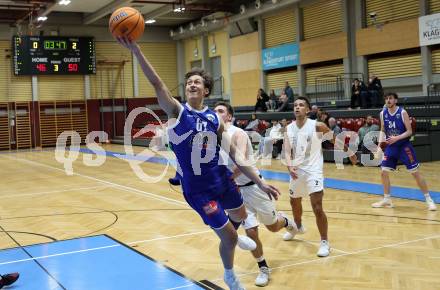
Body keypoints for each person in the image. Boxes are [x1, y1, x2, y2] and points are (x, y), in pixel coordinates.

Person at [117, 36, 281, 290]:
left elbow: (236, 155)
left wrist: (260, 182)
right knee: (229, 236)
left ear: (206, 90)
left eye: (197, 82)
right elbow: (157, 83)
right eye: (189, 82)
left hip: (222, 179)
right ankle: (230, 274)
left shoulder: (215, 119)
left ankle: (236, 240)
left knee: (240, 214)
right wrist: (137, 51)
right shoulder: (177, 111)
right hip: (198, 189)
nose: (192, 84)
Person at [215, 102, 296, 287]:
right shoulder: (212, 137)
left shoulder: (238, 133)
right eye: (214, 111)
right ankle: (263, 267)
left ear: (229, 116)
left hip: (255, 187)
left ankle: (286, 222)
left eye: (221, 111)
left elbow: (240, 163)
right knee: (251, 231)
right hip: (236, 192)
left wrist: (224, 181)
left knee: (273, 227)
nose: (216, 114)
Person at [282, 97, 357, 257]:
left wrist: (349, 153)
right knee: (294, 203)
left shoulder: (318, 126)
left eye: (301, 105)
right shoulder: (288, 128)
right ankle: (299, 227)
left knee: (317, 207)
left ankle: (324, 242)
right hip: (297, 170)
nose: (297, 107)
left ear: (308, 110)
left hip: (314, 171)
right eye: (295, 105)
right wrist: (289, 166)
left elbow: (335, 140)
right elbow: (287, 151)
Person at [371, 92, 437, 211]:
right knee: (383, 172)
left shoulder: (402, 112)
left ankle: (429, 200)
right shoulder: (382, 113)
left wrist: (396, 137)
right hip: (391, 147)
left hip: (404, 146)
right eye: (386, 98)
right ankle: (387, 199)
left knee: (415, 173)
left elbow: (409, 131)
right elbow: (382, 129)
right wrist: (379, 147)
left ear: (396, 100)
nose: (388, 100)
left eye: (390, 98)